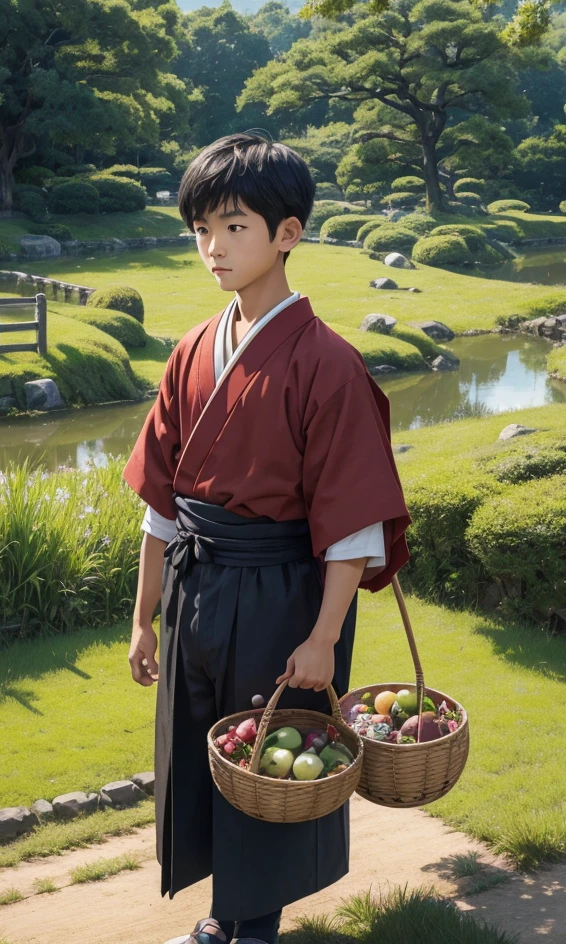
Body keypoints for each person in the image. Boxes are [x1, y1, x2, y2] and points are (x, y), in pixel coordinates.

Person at [122, 131, 411, 944]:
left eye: (235, 226)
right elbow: (160, 500)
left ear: (288, 233)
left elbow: (352, 520)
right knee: (203, 751)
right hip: (197, 583)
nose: (213, 247)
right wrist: (144, 616)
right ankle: (223, 916)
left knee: (269, 753)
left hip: (283, 592)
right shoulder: (190, 352)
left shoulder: (329, 363)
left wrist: (323, 637)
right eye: (201, 229)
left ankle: (251, 929)